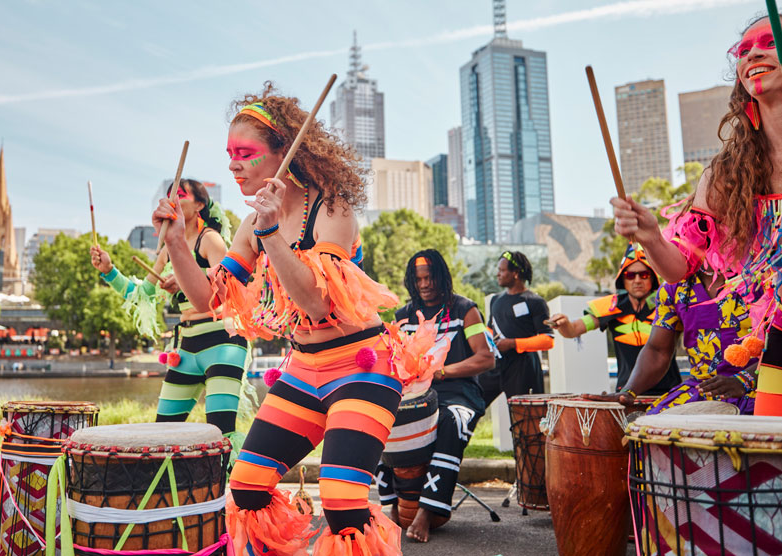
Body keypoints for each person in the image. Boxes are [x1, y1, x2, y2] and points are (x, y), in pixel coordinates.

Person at [153, 83, 435, 555]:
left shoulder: (330, 207)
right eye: (229, 153)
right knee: (246, 487)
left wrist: (270, 233)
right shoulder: (249, 225)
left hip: (362, 371)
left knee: (344, 504)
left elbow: (318, 303)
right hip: (304, 370)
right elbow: (208, 300)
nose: (233, 164)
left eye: (245, 152)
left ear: (282, 153)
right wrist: (179, 243)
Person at [611, 14, 781, 415]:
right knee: (762, 440)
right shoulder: (727, 174)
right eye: (743, 50)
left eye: (768, 43)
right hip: (775, 354)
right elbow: (678, 270)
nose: (753, 52)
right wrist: (651, 236)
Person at [90, 179, 250, 439]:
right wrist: (109, 271)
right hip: (186, 346)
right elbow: (141, 295)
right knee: (163, 431)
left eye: (181, 194)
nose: (173, 199)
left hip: (223, 343)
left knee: (222, 433)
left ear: (199, 204)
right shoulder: (166, 250)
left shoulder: (210, 239)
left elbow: (228, 286)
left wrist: (192, 276)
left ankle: (231, 480)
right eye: (169, 195)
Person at [376, 250, 494, 543]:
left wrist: (441, 372)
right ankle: (390, 505)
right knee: (380, 417)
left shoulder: (466, 310)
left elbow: (486, 358)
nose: (424, 284)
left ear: (442, 277)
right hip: (416, 394)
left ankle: (426, 513)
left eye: (430, 278)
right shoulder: (403, 315)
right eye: (418, 280)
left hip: (459, 393)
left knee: (450, 420)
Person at [585, 267, 756, 414]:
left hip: (760, 388)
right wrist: (629, 391)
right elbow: (658, 351)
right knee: (647, 432)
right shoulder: (674, 287)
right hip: (701, 390)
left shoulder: (764, 277)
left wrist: (744, 380)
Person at [549, 243, 681, 394]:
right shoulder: (611, 306)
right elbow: (574, 330)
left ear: (652, 277)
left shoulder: (667, 303)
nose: (637, 280)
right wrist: (564, 323)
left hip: (668, 391)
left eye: (643, 275)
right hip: (626, 391)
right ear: (622, 280)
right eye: (630, 275)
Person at [480, 251, 554, 406]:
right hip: (497, 364)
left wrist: (513, 343)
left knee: (526, 423)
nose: (497, 274)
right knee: (474, 402)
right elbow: (490, 329)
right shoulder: (496, 300)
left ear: (515, 273)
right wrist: (485, 342)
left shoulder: (535, 302)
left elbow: (548, 340)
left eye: (502, 270)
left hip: (524, 367)